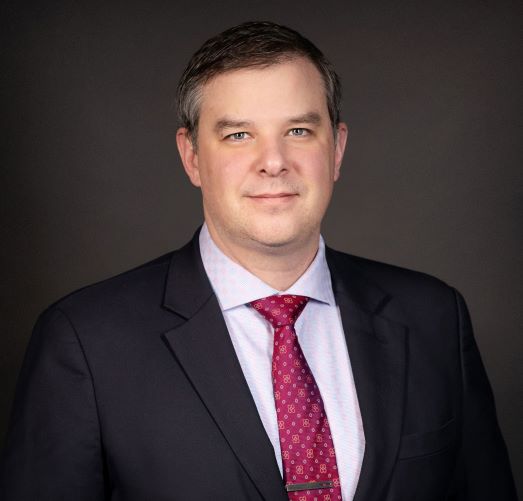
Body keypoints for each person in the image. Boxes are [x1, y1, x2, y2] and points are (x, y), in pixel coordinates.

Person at [0, 21, 517, 501]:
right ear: (192, 157)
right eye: (238, 135)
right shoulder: (85, 342)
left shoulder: (434, 317)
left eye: (298, 131)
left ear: (336, 149)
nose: (273, 162)